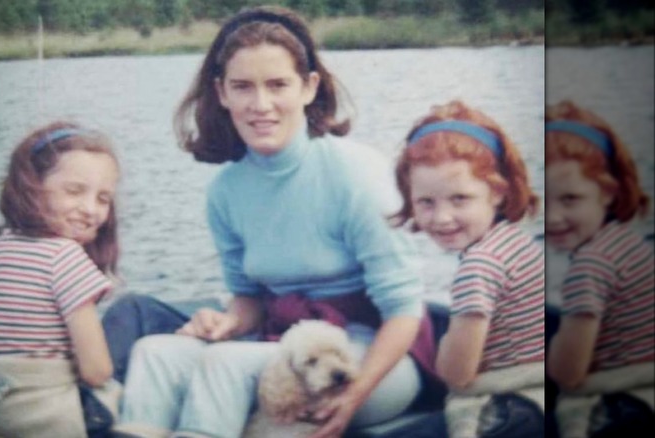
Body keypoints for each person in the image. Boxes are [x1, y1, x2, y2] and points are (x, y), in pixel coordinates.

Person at [114, 6, 434, 438]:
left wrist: (352, 398)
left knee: (226, 364)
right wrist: (225, 322)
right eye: (242, 87)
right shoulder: (226, 190)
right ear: (222, 93)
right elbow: (248, 301)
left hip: (375, 359)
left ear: (308, 87)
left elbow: (403, 311)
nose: (260, 104)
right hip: (286, 346)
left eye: (278, 85)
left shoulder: (356, 174)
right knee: (154, 352)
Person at [391, 100, 545, 438]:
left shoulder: (479, 267)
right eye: (426, 202)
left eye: (459, 199)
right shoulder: (515, 242)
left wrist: (439, 347)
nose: (442, 217)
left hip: (501, 412)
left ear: (498, 193)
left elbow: (456, 373)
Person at [0, 121, 120, 437]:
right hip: (47, 420)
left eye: (103, 198)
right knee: (137, 319)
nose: (90, 209)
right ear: (30, 185)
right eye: (74, 191)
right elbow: (97, 371)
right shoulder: (63, 257)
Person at [544, 100, 654, 437]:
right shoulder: (630, 244)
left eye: (569, 199)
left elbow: (568, 372)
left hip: (617, 411)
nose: (552, 217)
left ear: (607, 193)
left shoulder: (589, 268)